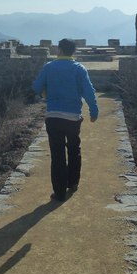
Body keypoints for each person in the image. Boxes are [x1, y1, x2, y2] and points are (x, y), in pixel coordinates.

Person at [32, 38, 98, 202]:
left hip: (53, 117)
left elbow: (36, 87)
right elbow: (89, 92)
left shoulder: (49, 67)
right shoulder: (79, 69)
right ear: (73, 52)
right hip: (73, 118)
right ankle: (73, 183)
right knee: (74, 149)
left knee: (57, 155)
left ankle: (59, 193)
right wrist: (93, 110)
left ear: (60, 50)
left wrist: (45, 93)